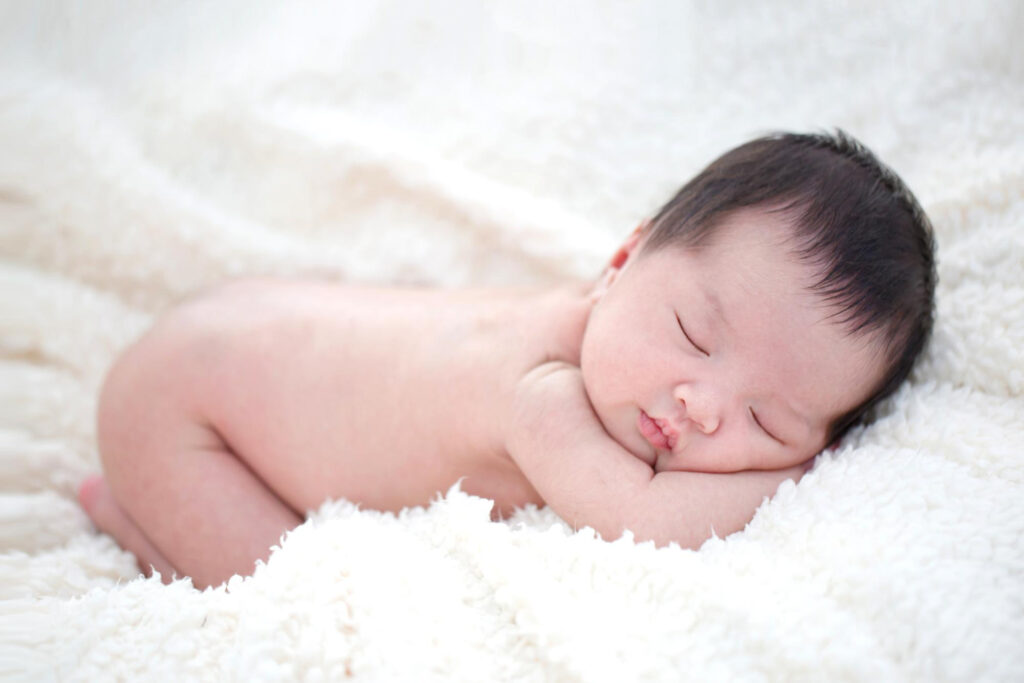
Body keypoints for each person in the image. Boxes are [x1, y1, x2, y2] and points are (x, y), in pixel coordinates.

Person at [78, 131, 936, 590]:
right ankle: (137, 519)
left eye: (767, 419)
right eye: (692, 333)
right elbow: (649, 520)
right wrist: (795, 465)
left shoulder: (600, 331)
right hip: (184, 410)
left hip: (254, 331)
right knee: (283, 587)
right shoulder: (542, 399)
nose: (705, 404)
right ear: (622, 259)